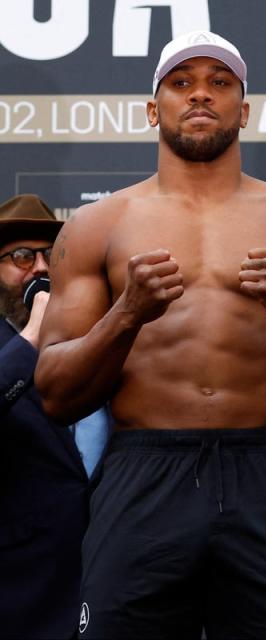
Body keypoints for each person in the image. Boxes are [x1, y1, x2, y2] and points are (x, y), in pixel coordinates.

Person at [34, 31, 266, 639]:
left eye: (220, 83)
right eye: (182, 83)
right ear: (154, 110)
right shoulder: (97, 225)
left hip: (262, 466)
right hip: (142, 471)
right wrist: (126, 314)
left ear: (245, 107)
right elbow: (55, 394)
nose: (201, 96)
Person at [0, 194, 109, 639]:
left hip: (109, 592)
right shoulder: (16, 350)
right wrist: (30, 341)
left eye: (53, 257)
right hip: (18, 594)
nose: (41, 270)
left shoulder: (105, 341)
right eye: (21, 257)